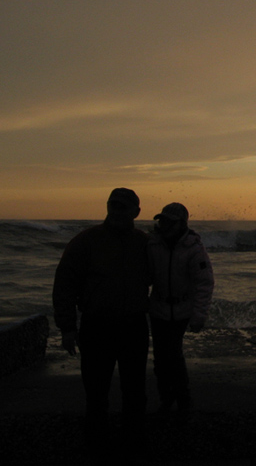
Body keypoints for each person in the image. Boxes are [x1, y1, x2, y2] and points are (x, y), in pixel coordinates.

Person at [52, 187, 150, 458]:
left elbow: (168, 276)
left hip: (134, 326)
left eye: (123, 207)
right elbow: (65, 284)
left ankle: (134, 445)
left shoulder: (145, 244)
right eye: (113, 206)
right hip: (96, 326)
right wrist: (68, 328)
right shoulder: (86, 241)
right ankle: (96, 446)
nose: (117, 212)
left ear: (136, 212)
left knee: (135, 390)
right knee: (96, 392)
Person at [147, 202, 214, 413]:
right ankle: (166, 398)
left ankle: (184, 400)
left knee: (173, 355)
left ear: (181, 224)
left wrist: (199, 315)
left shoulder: (194, 249)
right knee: (160, 358)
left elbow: (204, 283)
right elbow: (144, 276)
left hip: (182, 310)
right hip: (158, 309)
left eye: (170, 221)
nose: (165, 225)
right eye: (162, 220)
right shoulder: (152, 244)